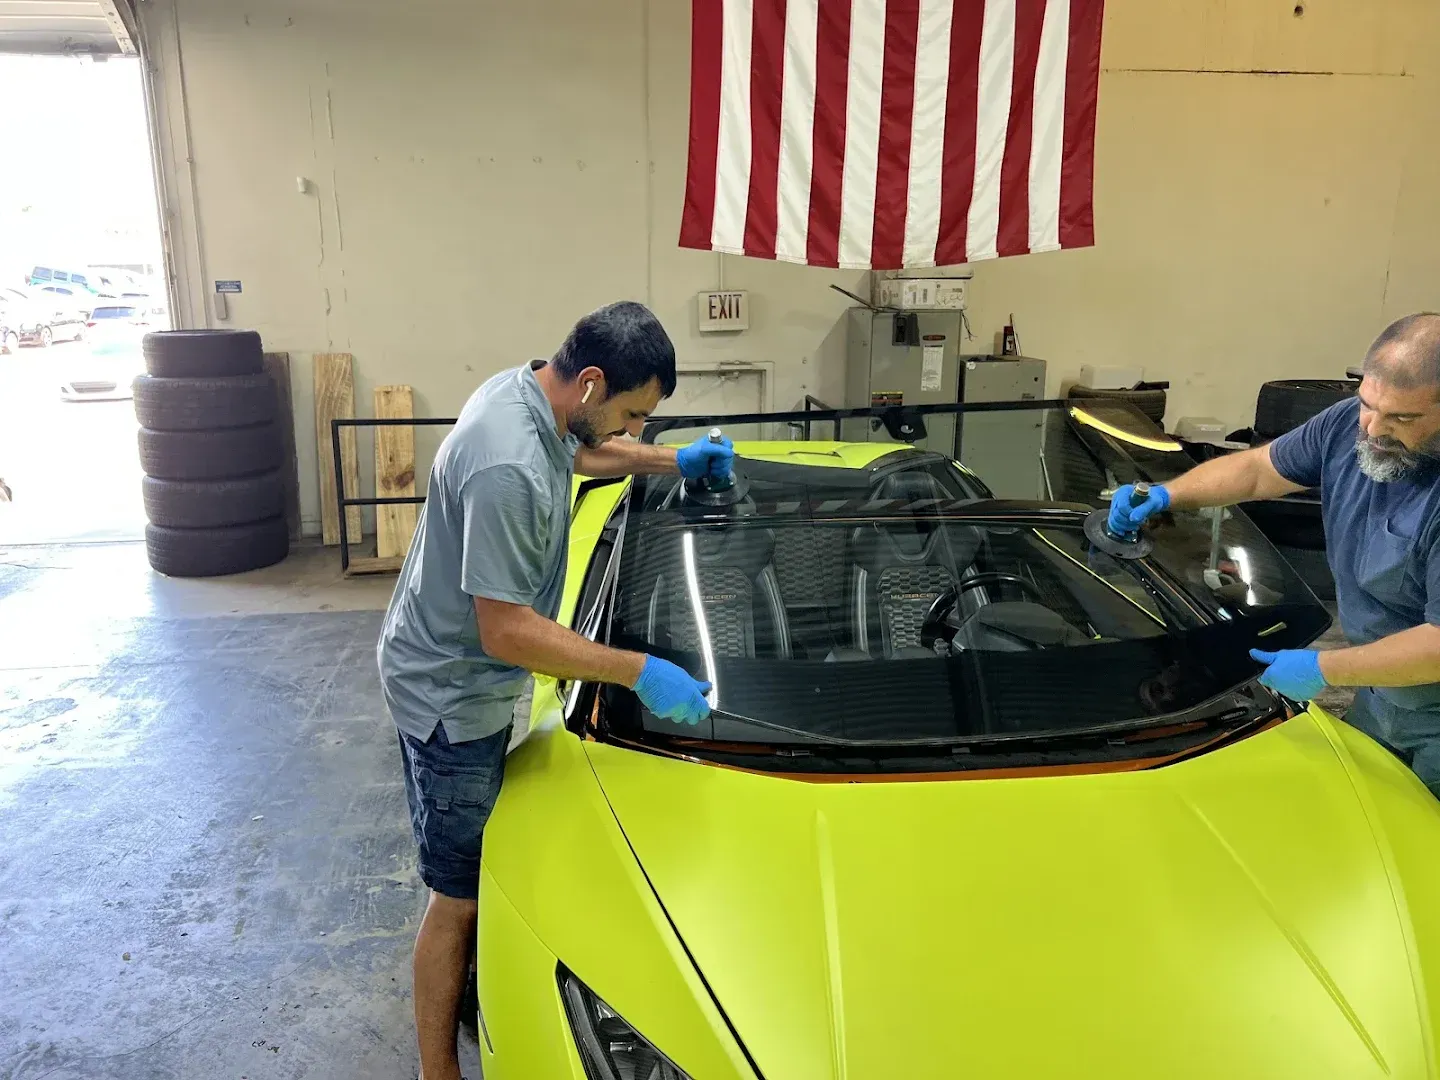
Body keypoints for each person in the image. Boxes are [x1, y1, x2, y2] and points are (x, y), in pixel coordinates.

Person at [376, 301, 732, 1080]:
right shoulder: (505, 459)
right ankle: (440, 1073)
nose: (632, 431)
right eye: (633, 414)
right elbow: (504, 631)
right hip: (451, 690)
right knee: (458, 896)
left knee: (469, 876)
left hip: (452, 662)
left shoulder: (537, 400)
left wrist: (674, 462)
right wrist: (639, 669)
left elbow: (580, 456)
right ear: (594, 382)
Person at [1108, 313, 1440, 797]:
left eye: (1402, 418)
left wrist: (1324, 669)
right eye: (1368, 405)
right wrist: (1166, 495)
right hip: (1382, 693)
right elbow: (1259, 470)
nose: (1374, 429)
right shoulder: (1346, 425)